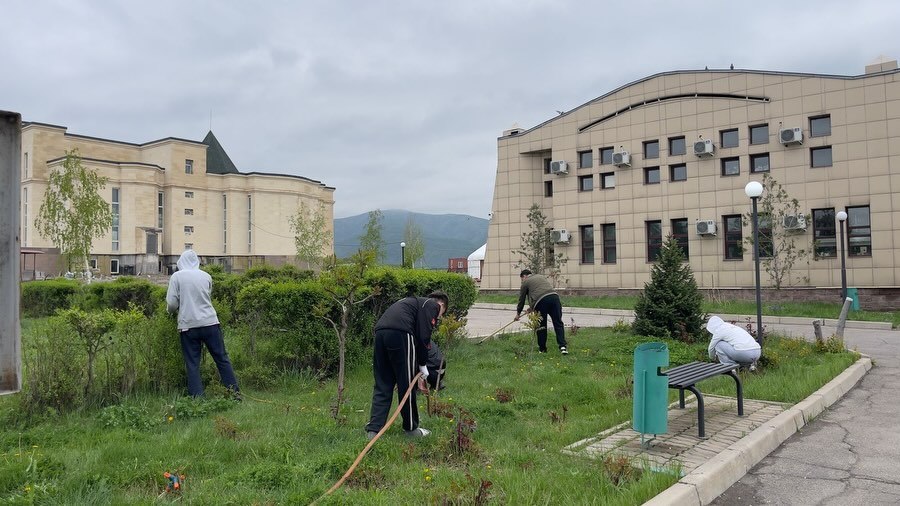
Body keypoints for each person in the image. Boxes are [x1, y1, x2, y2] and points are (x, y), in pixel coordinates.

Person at [365, 290, 448, 439]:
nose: (437, 318)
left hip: (380, 333)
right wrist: (423, 365)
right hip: (401, 333)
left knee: (383, 383)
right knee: (407, 385)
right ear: (441, 304)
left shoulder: (412, 303)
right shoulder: (432, 305)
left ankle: (374, 430)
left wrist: (418, 369)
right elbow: (424, 337)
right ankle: (411, 429)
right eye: (441, 314)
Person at [166, 250, 240, 398]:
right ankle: (234, 393)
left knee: (192, 363)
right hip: (210, 323)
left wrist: (170, 311)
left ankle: (198, 398)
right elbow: (207, 296)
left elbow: (172, 304)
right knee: (221, 358)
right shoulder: (206, 276)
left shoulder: (177, 277)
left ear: (181, 261)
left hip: (188, 326)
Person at [514, 269, 568, 354]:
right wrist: (532, 307)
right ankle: (563, 347)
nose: (522, 281)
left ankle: (542, 349)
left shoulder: (525, 282)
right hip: (554, 298)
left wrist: (518, 314)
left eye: (521, 279)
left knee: (541, 325)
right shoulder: (540, 276)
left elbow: (522, 299)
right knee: (558, 322)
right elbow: (540, 291)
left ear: (524, 276)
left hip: (541, 302)